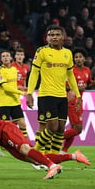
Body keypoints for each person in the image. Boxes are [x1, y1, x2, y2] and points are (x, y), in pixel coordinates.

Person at [0, 86, 91, 180]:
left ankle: (53, 167)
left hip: (5, 130)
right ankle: (74, 156)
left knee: (25, 149)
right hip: (0, 139)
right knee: (35, 158)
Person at [26, 25, 81, 154]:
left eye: (57, 35)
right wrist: (29, 93)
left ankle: (53, 157)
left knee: (61, 129)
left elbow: (70, 75)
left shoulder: (67, 53)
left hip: (62, 95)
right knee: (52, 127)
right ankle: (36, 153)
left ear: (63, 37)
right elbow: (34, 73)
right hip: (46, 94)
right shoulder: (41, 51)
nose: (54, 37)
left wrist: (78, 95)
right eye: (51, 35)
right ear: (47, 38)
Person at [61, 48, 95, 153]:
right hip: (71, 101)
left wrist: (94, 82)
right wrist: (75, 89)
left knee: (74, 129)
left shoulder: (87, 70)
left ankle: (63, 151)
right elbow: (65, 86)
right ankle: (56, 139)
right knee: (78, 129)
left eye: (80, 57)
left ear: (84, 59)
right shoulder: (71, 70)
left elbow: (86, 85)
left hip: (79, 101)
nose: (78, 59)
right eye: (76, 57)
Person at [0, 50, 27, 157]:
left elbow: (14, 85)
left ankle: (26, 146)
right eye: (3, 56)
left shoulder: (14, 70)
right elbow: (6, 88)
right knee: (4, 129)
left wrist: (21, 89)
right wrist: (21, 92)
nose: (6, 58)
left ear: (11, 58)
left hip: (15, 102)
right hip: (4, 103)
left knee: (22, 124)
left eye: (7, 56)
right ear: (1, 59)